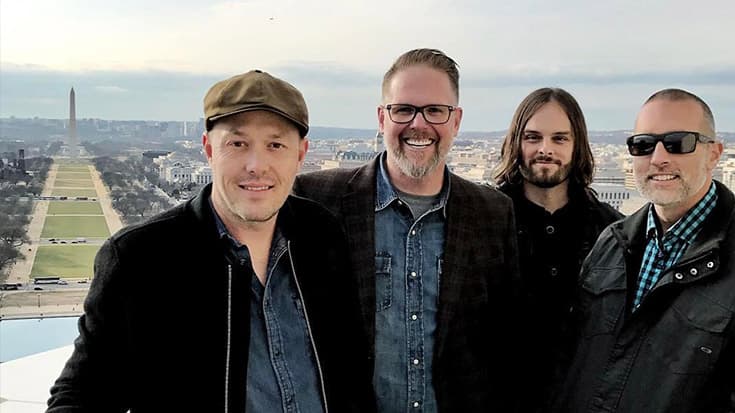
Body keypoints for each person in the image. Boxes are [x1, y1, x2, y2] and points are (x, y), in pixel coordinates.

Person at [47, 70, 374, 412]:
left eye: (275, 145)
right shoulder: (141, 259)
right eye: (237, 144)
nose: (256, 165)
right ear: (208, 149)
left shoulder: (321, 234)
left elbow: (350, 368)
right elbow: (81, 396)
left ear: (300, 154)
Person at [293, 48, 521, 412]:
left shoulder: (492, 213)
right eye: (403, 110)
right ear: (382, 119)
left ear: (456, 121)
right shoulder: (319, 200)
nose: (419, 124)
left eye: (435, 110)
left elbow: (503, 341)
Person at [552, 88, 734, 412]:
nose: (658, 158)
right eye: (643, 145)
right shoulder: (611, 243)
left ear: (714, 153)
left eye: (679, 143)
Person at [493, 87, 622, 410]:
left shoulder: (613, 233)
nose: (545, 149)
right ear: (516, 143)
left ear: (577, 146)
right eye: (533, 137)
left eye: (560, 139)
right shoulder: (485, 221)